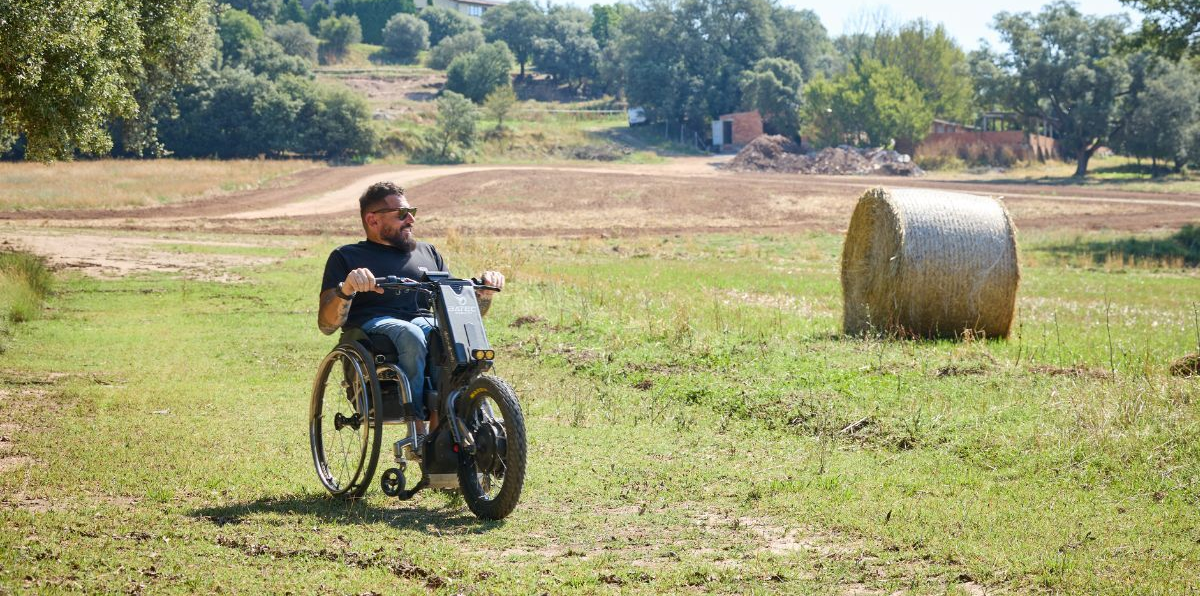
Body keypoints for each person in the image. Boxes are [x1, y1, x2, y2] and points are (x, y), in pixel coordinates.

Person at [318, 181, 505, 430]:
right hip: (373, 326)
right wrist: (347, 288)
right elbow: (327, 324)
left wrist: (482, 294)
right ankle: (417, 430)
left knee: (446, 333)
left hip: (422, 321)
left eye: (412, 212)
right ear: (373, 220)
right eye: (402, 214)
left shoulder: (428, 253)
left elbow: (453, 308)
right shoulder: (346, 257)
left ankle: (443, 433)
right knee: (412, 333)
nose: (411, 220)